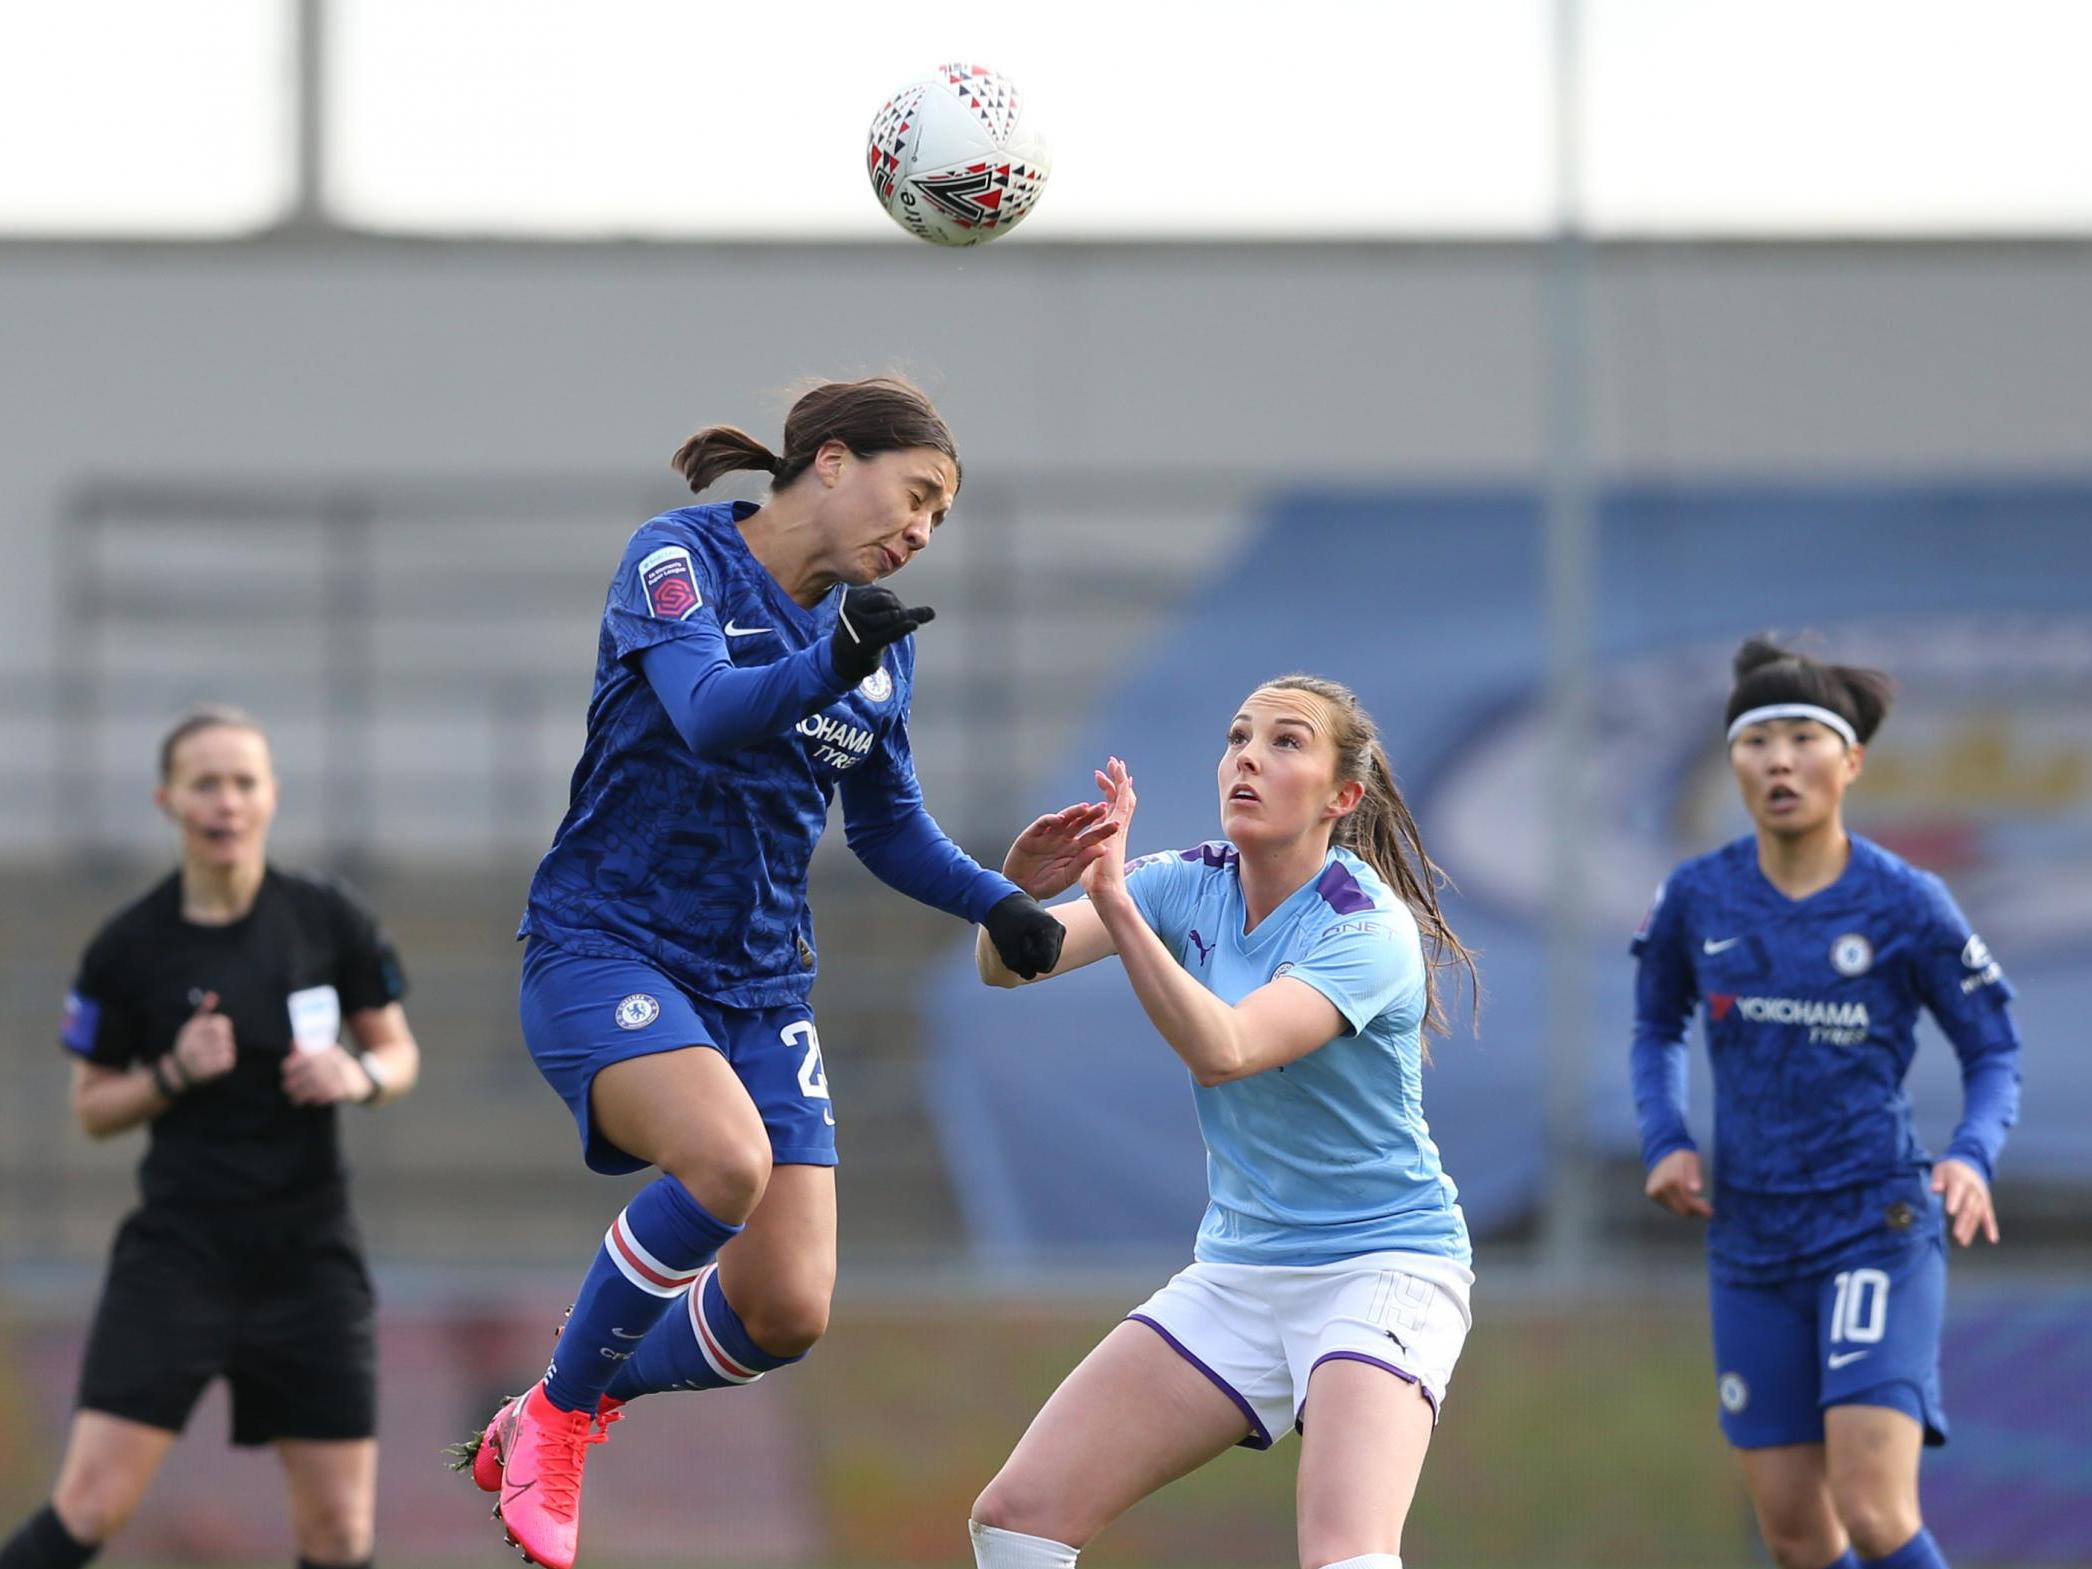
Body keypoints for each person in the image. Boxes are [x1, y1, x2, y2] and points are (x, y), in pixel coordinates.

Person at [461, 376, 1065, 1569]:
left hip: (759, 990)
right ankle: (560, 1418)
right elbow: (706, 712)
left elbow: (887, 831)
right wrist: (832, 662)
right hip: (606, 947)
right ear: (830, 462)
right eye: (918, 494)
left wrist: (1001, 897)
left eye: (942, 518)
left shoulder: (875, 650)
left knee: (787, 1309)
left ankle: (565, 1391)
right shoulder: (677, 556)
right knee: (726, 1164)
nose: (923, 531)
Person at [966, 673, 1479, 1569]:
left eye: (1286, 742)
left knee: (1345, 1553)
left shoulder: (1366, 928)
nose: (1248, 755)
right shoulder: (1187, 880)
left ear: (1341, 796)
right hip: (1243, 1269)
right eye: (1239, 736)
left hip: (1383, 1266)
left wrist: (1117, 905)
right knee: (1018, 1516)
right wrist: (1009, 888)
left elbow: (1228, 1048)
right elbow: (1007, 968)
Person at [1631, 637, 2023, 1569]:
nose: (1777, 760)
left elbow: (1994, 1047)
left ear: (1849, 761)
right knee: (1799, 1536)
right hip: (1752, 1238)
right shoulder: (1698, 896)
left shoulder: (1907, 902)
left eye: (1804, 737)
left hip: (1873, 1227)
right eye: (1755, 740)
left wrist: (1970, 1153)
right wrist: (1667, 1137)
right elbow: (1655, 1028)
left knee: (1873, 1507)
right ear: (1732, 761)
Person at [0, 705, 420, 1569]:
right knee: (88, 1504)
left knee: (339, 1533)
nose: (225, 801)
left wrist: (360, 1076)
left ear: (271, 797)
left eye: (243, 782)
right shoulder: (129, 946)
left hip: (309, 1260)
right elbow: (90, 1107)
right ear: (168, 800)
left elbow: (398, 1050)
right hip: (180, 1256)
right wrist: (172, 1073)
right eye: (205, 783)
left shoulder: (326, 919)